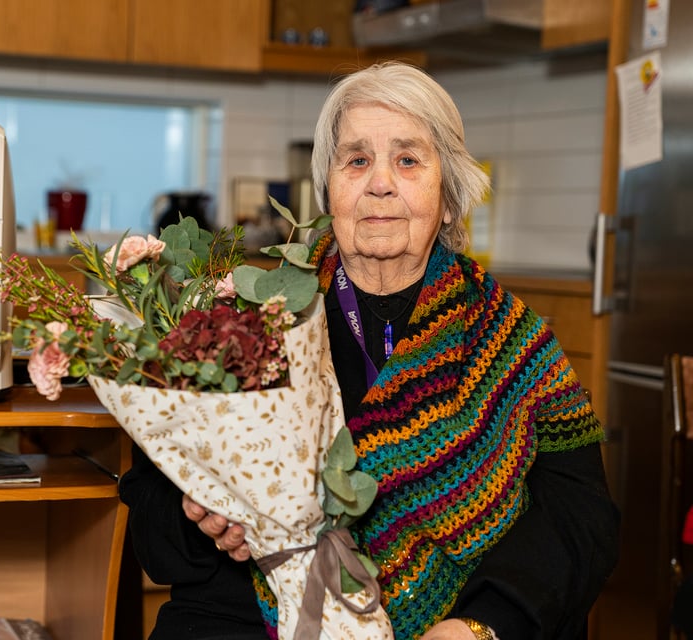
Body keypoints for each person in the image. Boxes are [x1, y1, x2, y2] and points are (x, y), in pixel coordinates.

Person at [118, 61, 620, 640]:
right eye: (356, 160)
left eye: (407, 160)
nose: (380, 182)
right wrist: (195, 515)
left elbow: (581, 518)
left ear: (450, 196)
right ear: (329, 189)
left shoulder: (510, 341)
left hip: (458, 618)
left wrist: (481, 625)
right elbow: (154, 537)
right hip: (256, 614)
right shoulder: (247, 323)